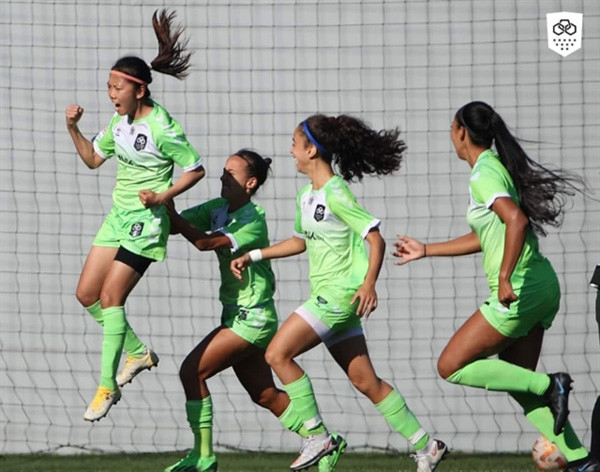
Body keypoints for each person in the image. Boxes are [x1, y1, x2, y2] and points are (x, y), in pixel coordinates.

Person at [231, 115, 448, 472]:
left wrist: (369, 284)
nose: (290, 150)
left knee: (277, 354)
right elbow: (299, 242)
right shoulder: (306, 196)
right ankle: (427, 445)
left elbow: (375, 238)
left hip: (339, 295)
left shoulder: (336, 192)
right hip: (333, 298)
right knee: (366, 381)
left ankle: (318, 436)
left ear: (311, 151)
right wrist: (253, 255)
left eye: (294, 143)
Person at [393, 100, 597, 472]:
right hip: (540, 285)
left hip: (519, 288)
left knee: (450, 365)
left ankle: (551, 385)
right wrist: (426, 250)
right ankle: (582, 461)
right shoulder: (494, 168)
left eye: (450, 128)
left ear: (461, 132)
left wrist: (503, 277)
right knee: (521, 383)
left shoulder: (483, 174)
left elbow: (516, 221)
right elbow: (489, 234)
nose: (450, 136)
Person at [164, 150, 344, 472]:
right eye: (223, 171)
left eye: (231, 173)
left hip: (253, 319)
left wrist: (165, 203)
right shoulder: (218, 208)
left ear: (250, 183)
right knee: (264, 395)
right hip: (236, 315)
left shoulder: (252, 218)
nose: (223, 177)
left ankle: (203, 456)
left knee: (192, 372)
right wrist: (163, 195)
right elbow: (177, 225)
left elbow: (205, 243)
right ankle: (323, 442)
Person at [65, 9, 205, 422]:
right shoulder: (118, 122)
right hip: (118, 218)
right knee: (86, 295)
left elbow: (196, 169)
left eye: (117, 87)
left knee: (111, 298)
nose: (111, 93)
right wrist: (73, 128)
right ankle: (139, 352)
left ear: (139, 90)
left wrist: (163, 196)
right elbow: (93, 159)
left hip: (147, 223)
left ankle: (106, 386)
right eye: (109, 87)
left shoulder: (162, 126)